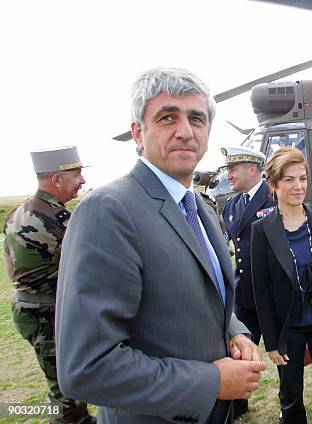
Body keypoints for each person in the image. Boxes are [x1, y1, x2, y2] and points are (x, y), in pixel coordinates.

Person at [55, 67, 264, 424]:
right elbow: (86, 368)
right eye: (168, 117)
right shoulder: (108, 211)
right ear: (138, 133)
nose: (185, 131)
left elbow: (197, 295)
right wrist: (211, 382)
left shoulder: (200, 206)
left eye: (196, 118)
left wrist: (235, 331)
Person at [251, 147, 312, 423]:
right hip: (288, 327)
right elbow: (261, 291)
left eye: (302, 178)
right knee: (291, 396)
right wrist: (271, 342)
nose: (298, 186)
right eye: (290, 180)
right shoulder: (262, 230)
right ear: (273, 185)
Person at [3, 146, 95, 424]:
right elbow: (87, 272)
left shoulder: (16, 214)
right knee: (65, 390)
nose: (83, 181)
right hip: (51, 315)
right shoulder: (60, 220)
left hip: (26, 309)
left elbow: (10, 267)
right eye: (76, 174)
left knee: (57, 379)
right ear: (57, 179)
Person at [220, 146, 275, 418]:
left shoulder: (274, 197)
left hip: (273, 294)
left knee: (284, 355)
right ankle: (239, 405)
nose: (228, 174)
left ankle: (290, 406)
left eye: (233, 169)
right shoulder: (231, 204)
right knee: (240, 353)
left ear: (252, 169)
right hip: (244, 294)